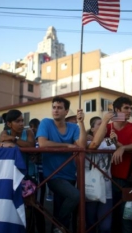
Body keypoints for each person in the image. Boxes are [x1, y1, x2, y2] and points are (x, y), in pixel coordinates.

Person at [36, 96, 86, 233]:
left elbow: (81, 145)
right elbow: (42, 143)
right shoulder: (46, 123)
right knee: (75, 196)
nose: (56, 110)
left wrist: (81, 123)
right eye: (54, 107)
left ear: (66, 111)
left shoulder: (73, 126)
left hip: (70, 174)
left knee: (62, 206)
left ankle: (57, 228)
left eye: (59, 108)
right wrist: (67, 145)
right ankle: (57, 224)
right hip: (53, 175)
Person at [105, 97, 132, 233]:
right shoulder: (106, 127)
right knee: (109, 216)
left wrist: (122, 148)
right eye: (126, 108)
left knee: (126, 217)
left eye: (130, 108)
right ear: (117, 110)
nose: (129, 111)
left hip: (129, 177)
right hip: (108, 177)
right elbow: (95, 141)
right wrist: (115, 144)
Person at [86, 113, 115, 233]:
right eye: (99, 124)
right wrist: (105, 121)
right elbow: (94, 145)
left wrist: (115, 140)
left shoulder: (108, 141)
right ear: (92, 128)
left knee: (105, 226)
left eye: (104, 124)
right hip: (90, 187)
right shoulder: (86, 142)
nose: (104, 126)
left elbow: (113, 146)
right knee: (90, 224)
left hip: (106, 188)